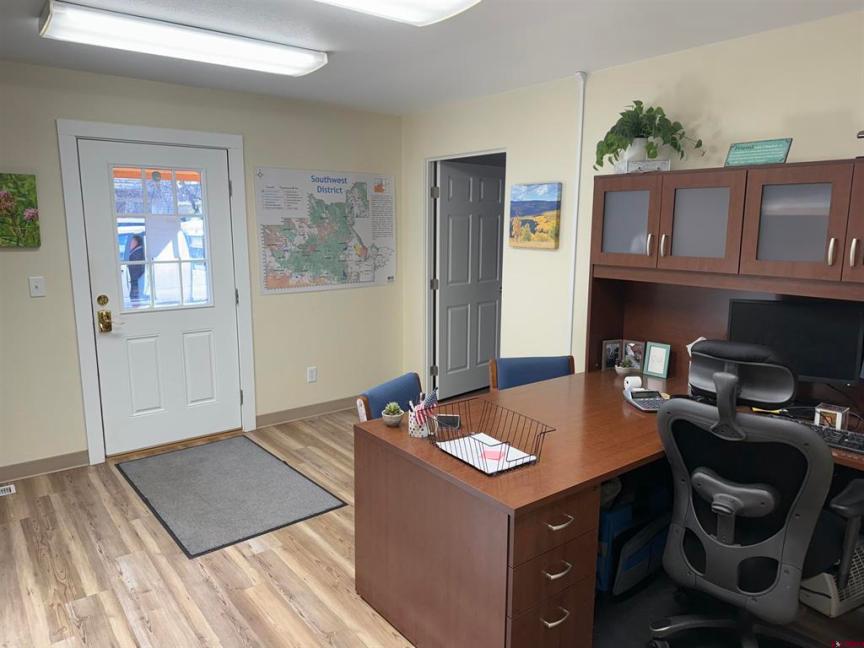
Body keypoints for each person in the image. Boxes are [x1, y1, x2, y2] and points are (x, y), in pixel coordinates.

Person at [125, 234, 145, 301]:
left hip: (136, 280)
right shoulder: (136, 251)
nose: (130, 244)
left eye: (132, 242)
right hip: (135, 280)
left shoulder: (137, 252)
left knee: (135, 300)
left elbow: (137, 268)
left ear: (136, 242)